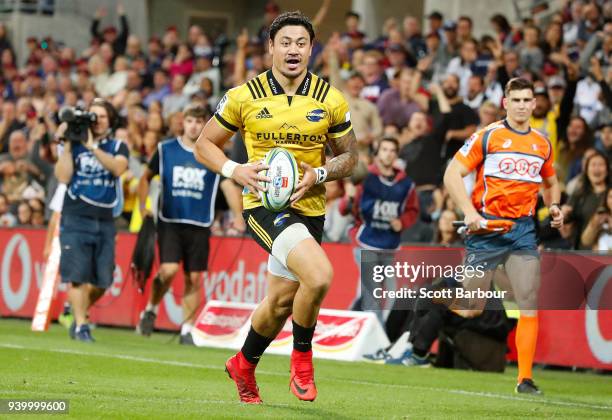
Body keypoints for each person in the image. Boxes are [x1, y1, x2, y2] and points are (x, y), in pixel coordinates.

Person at [195, 11, 357, 404]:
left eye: (301, 43)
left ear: (311, 49)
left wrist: (318, 175)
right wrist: (236, 171)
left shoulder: (330, 99)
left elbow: (350, 158)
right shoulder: (243, 96)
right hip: (264, 204)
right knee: (318, 277)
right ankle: (302, 358)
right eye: (285, 42)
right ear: (270, 48)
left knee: (282, 301)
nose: (293, 50)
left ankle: (244, 364)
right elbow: (204, 144)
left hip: (311, 207)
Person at [443, 78, 564, 395]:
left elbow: (551, 182)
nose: (523, 105)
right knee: (471, 308)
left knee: (528, 299)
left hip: (522, 229)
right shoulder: (488, 136)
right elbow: (451, 174)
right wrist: (469, 213)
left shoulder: (543, 143)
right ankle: (433, 300)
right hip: (486, 229)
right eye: (517, 100)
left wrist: (554, 207)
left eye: (528, 100)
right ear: (505, 103)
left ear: (535, 104)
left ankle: (524, 379)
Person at [136, 105, 220, 345]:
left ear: (205, 124)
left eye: (198, 121)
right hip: (170, 221)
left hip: (200, 222)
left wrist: (237, 214)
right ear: (182, 122)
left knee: (194, 277)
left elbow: (226, 185)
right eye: (190, 121)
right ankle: (151, 308)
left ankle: (187, 329)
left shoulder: (212, 153)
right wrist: (143, 206)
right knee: (169, 271)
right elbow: (145, 178)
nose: (194, 126)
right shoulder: (165, 149)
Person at [54, 98, 129, 342]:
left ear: (110, 120)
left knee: (103, 279)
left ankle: (77, 314)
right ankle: (81, 326)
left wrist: (92, 147)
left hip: (105, 219)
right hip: (75, 215)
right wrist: (67, 144)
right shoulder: (73, 145)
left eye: (102, 117)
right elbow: (63, 176)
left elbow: (118, 169)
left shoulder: (117, 145)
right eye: (92, 116)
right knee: (77, 276)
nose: (97, 121)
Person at [339, 137, 419, 328]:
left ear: (397, 154)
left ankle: (351, 327)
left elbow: (412, 210)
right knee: (371, 292)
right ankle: (371, 334)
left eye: (392, 150)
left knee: (390, 292)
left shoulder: (407, 184)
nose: (388, 153)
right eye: (384, 149)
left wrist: (402, 222)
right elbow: (344, 210)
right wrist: (349, 196)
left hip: (390, 245)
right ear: (378, 152)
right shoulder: (365, 178)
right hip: (365, 241)